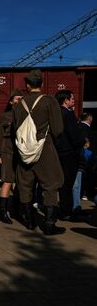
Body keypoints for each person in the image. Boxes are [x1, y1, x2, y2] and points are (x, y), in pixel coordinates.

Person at [13, 70, 64, 235]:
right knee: (50, 184)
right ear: (41, 84)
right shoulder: (49, 101)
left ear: (27, 85)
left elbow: (15, 128)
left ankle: (29, 222)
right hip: (45, 146)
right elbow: (58, 129)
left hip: (24, 150)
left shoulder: (19, 104)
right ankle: (49, 224)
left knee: (25, 185)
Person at [0, 89, 23, 223]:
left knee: (21, 182)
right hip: (8, 152)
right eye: (17, 98)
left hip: (23, 153)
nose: (19, 101)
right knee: (8, 180)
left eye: (22, 98)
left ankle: (17, 210)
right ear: (11, 102)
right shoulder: (5, 117)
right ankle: (3, 212)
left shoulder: (28, 116)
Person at [54, 90, 85, 221]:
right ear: (65, 100)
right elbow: (74, 135)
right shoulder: (68, 114)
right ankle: (67, 211)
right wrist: (83, 142)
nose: (73, 100)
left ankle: (64, 210)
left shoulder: (57, 114)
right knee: (69, 183)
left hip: (59, 152)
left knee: (63, 183)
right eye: (71, 98)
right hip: (70, 153)